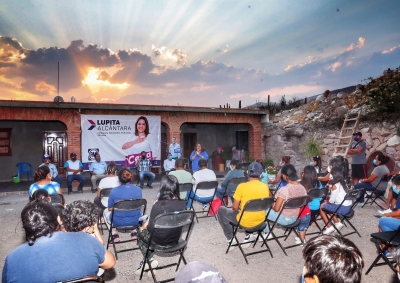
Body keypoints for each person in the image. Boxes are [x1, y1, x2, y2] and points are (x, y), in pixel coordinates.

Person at [2, 201, 116, 283]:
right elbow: (110, 262)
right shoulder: (85, 239)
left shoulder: (12, 259)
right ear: (58, 219)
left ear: (25, 226)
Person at [135, 175, 186, 276]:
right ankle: (148, 262)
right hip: (175, 240)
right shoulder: (183, 204)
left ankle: (149, 260)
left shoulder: (158, 205)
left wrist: (142, 227)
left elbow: (150, 228)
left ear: (162, 187)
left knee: (139, 231)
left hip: (159, 242)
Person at [217, 162, 270, 250]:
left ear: (247, 173)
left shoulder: (241, 187)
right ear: (261, 175)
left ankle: (231, 239)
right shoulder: (265, 187)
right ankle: (251, 234)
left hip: (245, 222)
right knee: (247, 210)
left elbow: (234, 208)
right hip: (261, 221)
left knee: (221, 210)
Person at [262, 164, 308, 239]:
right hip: (296, 217)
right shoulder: (302, 187)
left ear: (283, 175)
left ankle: (266, 233)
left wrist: (272, 203)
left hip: (285, 219)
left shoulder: (284, 190)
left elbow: (276, 209)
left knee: (262, 211)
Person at [103, 168, 142, 242]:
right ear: (131, 176)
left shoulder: (114, 191)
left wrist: (119, 205)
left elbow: (110, 208)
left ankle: (114, 233)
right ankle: (134, 231)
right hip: (135, 221)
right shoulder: (138, 189)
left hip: (118, 222)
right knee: (139, 208)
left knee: (105, 211)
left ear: (119, 178)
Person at [320, 166, 351, 234]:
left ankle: (329, 227)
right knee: (329, 206)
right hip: (348, 207)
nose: (329, 175)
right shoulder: (344, 183)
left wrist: (326, 202)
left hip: (342, 208)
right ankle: (337, 223)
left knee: (322, 206)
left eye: (331, 173)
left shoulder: (335, 186)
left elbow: (331, 201)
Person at [296, 165, 319, 245]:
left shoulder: (301, 185)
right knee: (304, 226)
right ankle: (301, 237)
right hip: (314, 209)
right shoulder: (317, 184)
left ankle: (302, 241)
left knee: (301, 227)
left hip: (305, 209)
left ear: (304, 174)